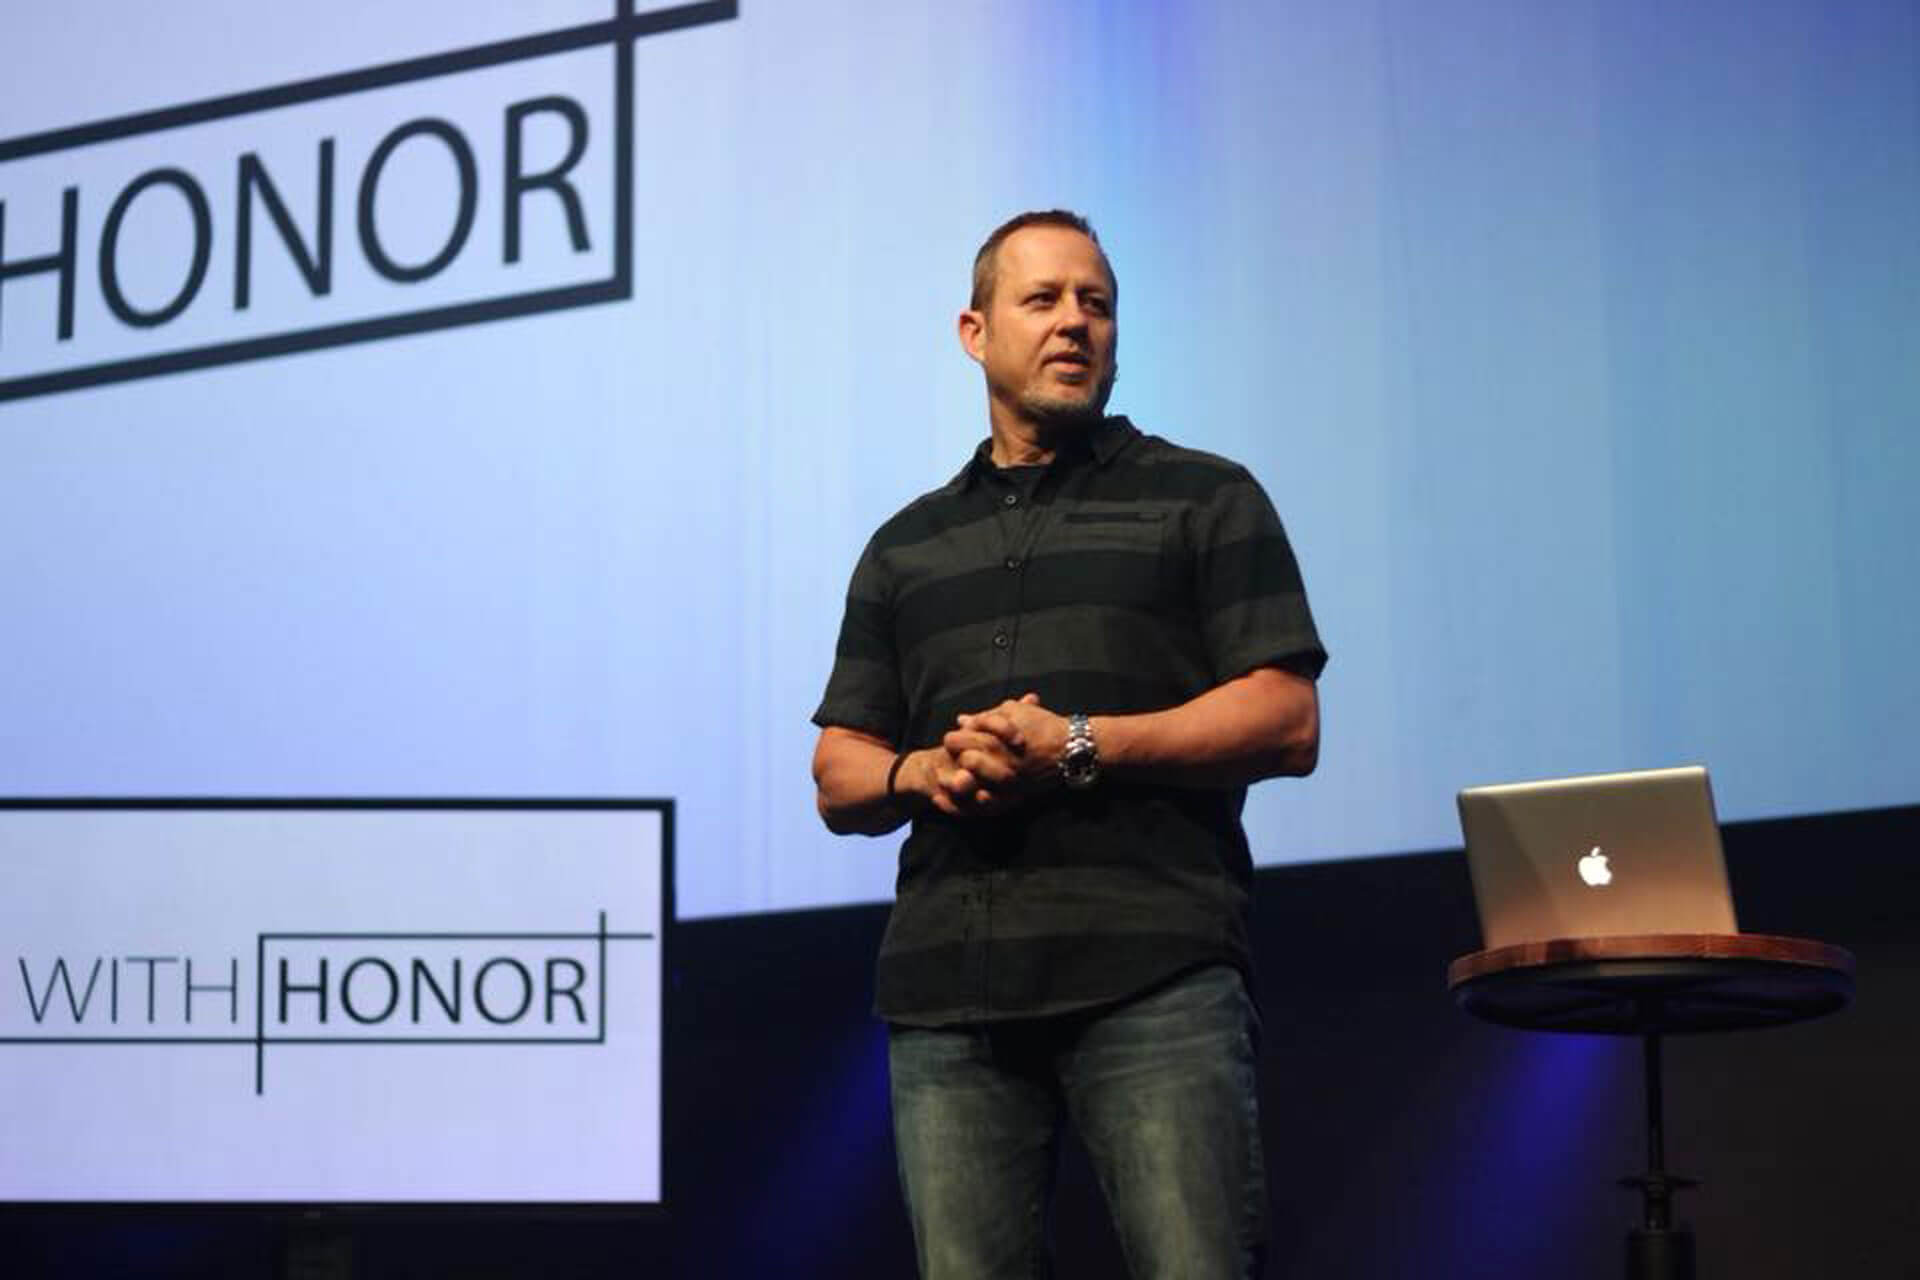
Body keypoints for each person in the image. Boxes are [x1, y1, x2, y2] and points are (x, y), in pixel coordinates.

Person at [809, 209, 1327, 1279]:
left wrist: (1079, 744)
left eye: (1095, 302)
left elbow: (1286, 718)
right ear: (974, 331)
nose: (1073, 324)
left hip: (1155, 976)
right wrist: (926, 768)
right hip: (949, 1001)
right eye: (1041, 300)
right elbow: (839, 771)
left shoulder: (1204, 497)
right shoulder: (905, 547)